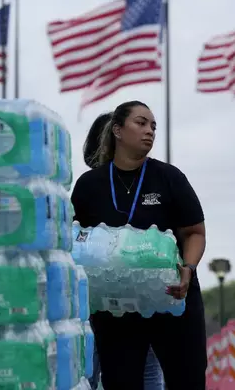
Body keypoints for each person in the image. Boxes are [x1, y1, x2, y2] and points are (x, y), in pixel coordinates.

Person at [72, 101, 207, 389]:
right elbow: (75, 241)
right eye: (141, 123)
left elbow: (195, 233)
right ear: (118, 131)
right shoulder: (88, 185)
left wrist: (189, 268)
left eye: (153, 126)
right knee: (121, 382)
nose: (150, 131)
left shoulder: (169, 177)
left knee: (188, 380)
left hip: (172, 297)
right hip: (116, 308)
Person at [84, 112, 165, 390]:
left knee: (97, 369)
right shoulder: (90, 187)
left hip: (126, 303)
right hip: (105, 305)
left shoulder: (148, 184)